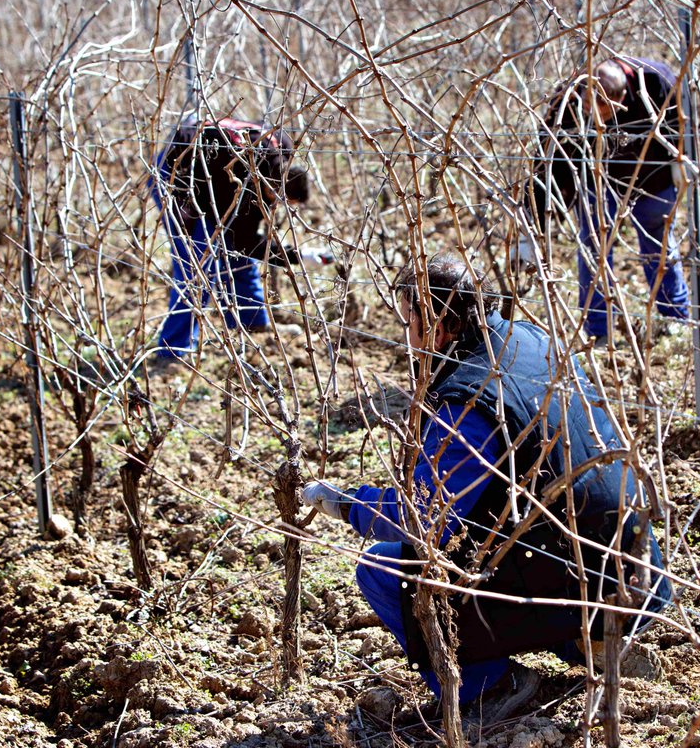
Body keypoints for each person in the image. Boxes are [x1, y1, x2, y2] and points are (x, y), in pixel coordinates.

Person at [302, 253, 671, 720]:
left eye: (411, 319)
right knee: (510, 527)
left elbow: (423, 520)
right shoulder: (535, 338)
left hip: (576, 567)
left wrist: (344, 502)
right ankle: (591, 641)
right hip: (632, 564)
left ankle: (489, 686)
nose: (406, 334)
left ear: (441, 326)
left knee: (383, 569)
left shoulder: (471, 401)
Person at [521, 56, 691, 344]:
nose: (598, 119)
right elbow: (546, 156)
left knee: (658, 242)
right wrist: (531, 218)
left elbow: (683, 119)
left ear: (623, 97)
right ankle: (599, 330)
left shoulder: (656, 80)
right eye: (591, 109)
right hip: (598, 182)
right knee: (594, 249)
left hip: (654, 177)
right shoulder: (570, 97)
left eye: (607, 112)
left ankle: (675, 317)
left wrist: (682, 158)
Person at [149, 115, 329, 359]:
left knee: (235, 253)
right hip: (174, 172)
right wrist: (299, 257)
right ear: (272, 189)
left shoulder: (281, 147)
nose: (278, 207)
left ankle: (251, 321)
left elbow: (242, 243)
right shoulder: (241, 184)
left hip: (208, 172)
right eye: (281, 201)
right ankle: (174, 349)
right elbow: (246, 243)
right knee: (197, 266)